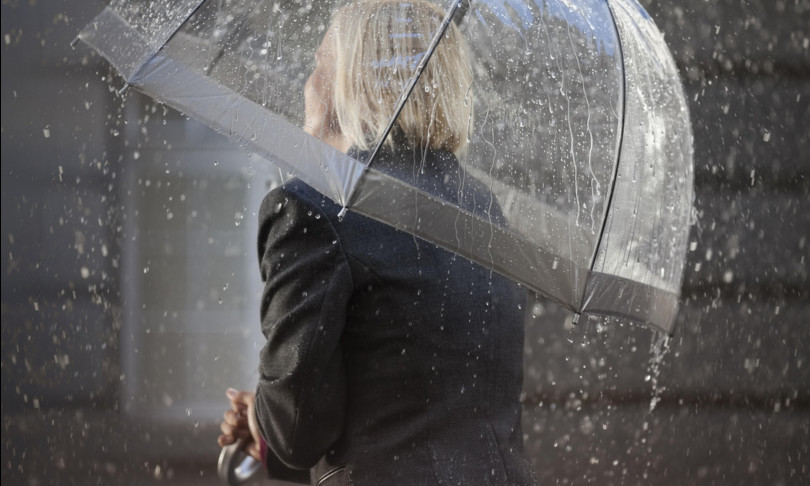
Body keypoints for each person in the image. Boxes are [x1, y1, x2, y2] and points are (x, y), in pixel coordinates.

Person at [218, 1, 536, 484]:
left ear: (346, 83)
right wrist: (272, 417)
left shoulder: (317, 209)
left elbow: (299, 429)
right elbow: (422, 395)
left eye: (318, 65)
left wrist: (265, 415)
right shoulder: (485, 211)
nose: (307, 85)